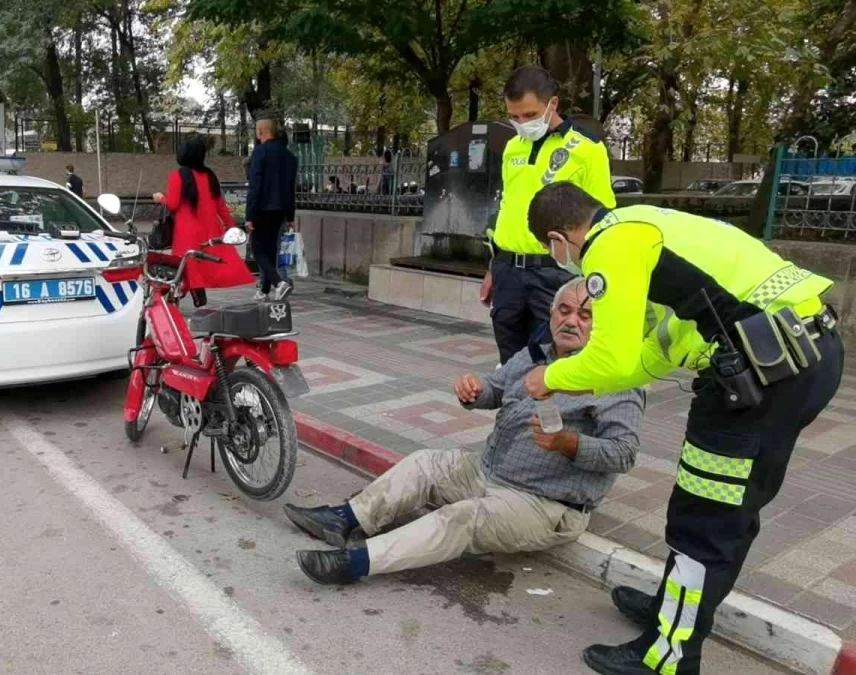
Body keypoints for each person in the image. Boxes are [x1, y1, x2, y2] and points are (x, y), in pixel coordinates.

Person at [522, 182, 843, 675]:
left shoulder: (610, 243)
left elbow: (614, 356)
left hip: (762, 375)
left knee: (704, 517)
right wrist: (582, 386)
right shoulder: (650, 226)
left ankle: (668, 656)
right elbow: (657, 350)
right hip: (800, 357)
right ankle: (675, 615)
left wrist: (553, 375)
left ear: (557, 239)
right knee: (728, 510)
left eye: (552, 252)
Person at [287, 278, 646, 585]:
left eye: (585, 316)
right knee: (424, 463)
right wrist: (474, 391)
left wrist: (569, 443)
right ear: (551, 315)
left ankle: (357, 563)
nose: (571, 321)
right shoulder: (536, 354)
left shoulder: (615, 381)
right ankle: (346, 519)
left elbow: (624, 453)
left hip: (546, 505)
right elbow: (497, 388)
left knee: (461, 518)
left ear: (603, 326)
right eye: (564, 311)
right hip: (487, 471)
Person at [482, 65, 616, 366]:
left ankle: (549, 415)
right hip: (507, 271)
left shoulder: (587, 149)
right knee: (510, 364)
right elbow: (508, 207)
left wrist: (592, 280)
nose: (521, 123)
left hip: (555, 274)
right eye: (513, 116)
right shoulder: (512, 147)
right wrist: (493, 267)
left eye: (529, 115)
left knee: (554, 363)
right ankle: (515, 414)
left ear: (552, 104)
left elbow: (603, 221)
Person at [152, 137, 251, 301]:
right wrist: (231, 228)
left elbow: (173, 204)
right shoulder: (210, 176)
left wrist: (160, 198)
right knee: (201, 265)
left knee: (184, 266)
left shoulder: (178, 176)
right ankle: (194, 296)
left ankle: (177, 297)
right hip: (210, 230)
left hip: (186, 231)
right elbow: (221, 207)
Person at [244, 119, 297, 302]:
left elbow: (255, 186)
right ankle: (264, 291)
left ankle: (278, 283)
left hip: (262, 208)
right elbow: (291, 188)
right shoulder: (290, 157)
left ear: (261, 132)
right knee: (270, 251)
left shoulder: (260, 152)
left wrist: (249, 215)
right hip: (280, 209)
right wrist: (290, 215)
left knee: (257, 249)